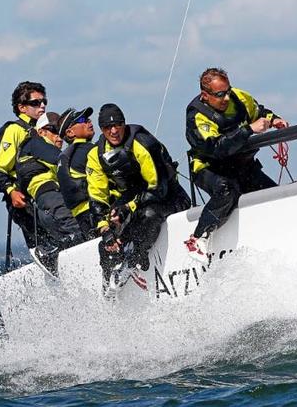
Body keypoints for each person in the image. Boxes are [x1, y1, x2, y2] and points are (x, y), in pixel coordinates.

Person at [184, 67, 289, 262]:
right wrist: (248, 130)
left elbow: (260, 112)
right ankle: (197, 238)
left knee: (274, 197)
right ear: (205, 96)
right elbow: (216, 148)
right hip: (209, 168)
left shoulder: (240, 98)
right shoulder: (197, 115)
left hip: (241, 166)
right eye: (219, 94)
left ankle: (283, 237)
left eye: (228, 91)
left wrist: (274, 120)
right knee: (226, 190)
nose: (225, 98)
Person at [86, 103, 191, 284]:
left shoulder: (142, 144)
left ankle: (134, 261)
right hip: (132, 198)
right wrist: (105, 230)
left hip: (168, 196)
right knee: (107, 237)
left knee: (149, 215)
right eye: (107, 128)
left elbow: (159, 189)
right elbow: (97, 198)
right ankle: (108, 284)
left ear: (124, 124)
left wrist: (129, 207)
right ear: (101, 130)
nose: (113, 131)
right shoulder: (96, 155)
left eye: (117, 125)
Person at [15, 112, 85, 273]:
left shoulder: (43, 152)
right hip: (51, 201)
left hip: (49, 207)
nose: (59, 137)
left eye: (60, 132)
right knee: (78, 232)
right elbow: (63, 161)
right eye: (53, 130)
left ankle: (54, 253)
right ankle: (49, 254)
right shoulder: (34, 144)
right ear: (41, 131)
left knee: (79, 237)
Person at [0, 81, 49, 251]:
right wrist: (11, 191)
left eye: (44, 102)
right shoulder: (13, 130)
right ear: (22, 107)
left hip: (46, 193)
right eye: (36, 103)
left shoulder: (44, 130)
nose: (42, 106)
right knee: (43, 244)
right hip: (23, 199)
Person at [57, 107, 97, 238]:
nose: (89, 122)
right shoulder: (89, 150)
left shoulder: (65, 156)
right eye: (82, 120)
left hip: (81, 217)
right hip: (96, 212)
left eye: (88, 119)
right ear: (70, 132)